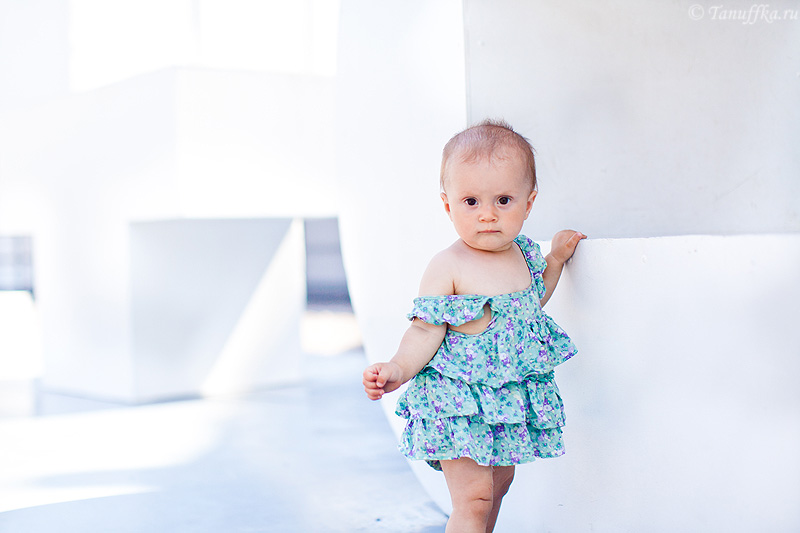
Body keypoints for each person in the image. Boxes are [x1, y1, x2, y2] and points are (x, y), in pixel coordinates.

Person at [362, 119, 585, 533]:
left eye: (503, 200)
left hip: (504, 400)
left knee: (498, 486)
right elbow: (425, 330)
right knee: (474, 496)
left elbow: (530, 304)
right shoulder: (448, 265)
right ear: (448, 206)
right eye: (471, 202)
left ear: (528, 204)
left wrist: (554, 259)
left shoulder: (522, 255)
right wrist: (397, 367)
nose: (487, 215)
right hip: (457, 402)